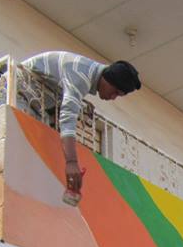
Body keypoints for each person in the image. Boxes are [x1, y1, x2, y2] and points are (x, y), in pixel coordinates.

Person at [19, 51, 141, 194]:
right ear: (107, 79)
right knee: (25, 148)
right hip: (20, 91)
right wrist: (71, 162)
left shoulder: (88, 72)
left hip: (34, 101)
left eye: (118, 95)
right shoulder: (82, 76)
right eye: (115, 91)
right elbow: (67, 117)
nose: (113, 97)